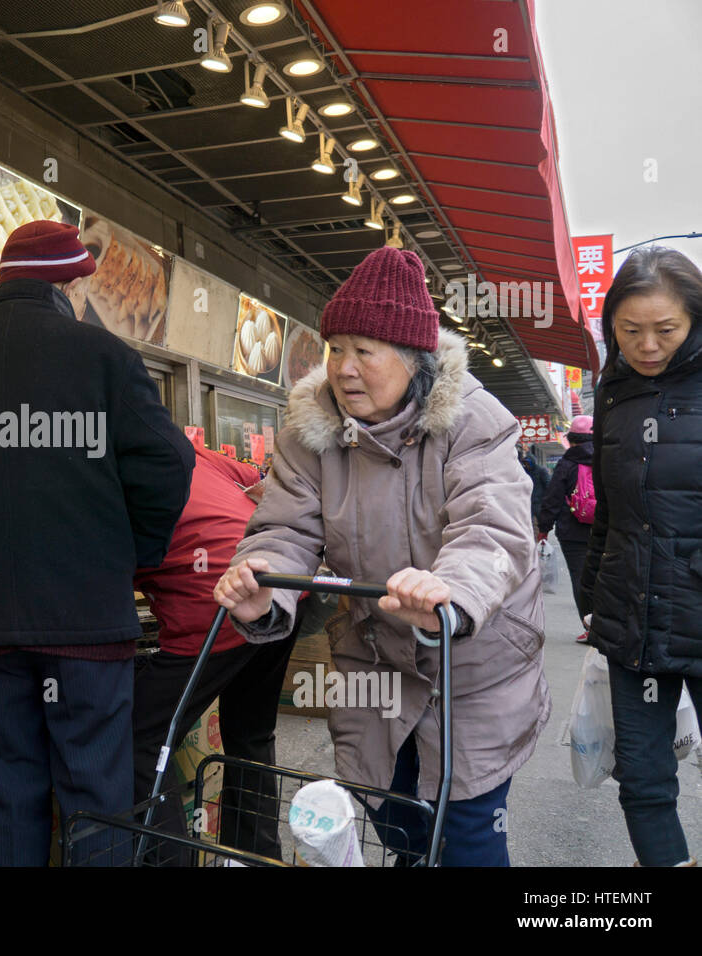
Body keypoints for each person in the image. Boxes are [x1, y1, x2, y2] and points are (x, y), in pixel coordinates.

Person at [213, 245, 550, 867]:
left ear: (413, 357)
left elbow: (492, 529)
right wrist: (266, 585)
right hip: (375, 664)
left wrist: (447, 594)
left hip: (471, 666)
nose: (343, 368)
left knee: (468, 834)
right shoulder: (308, 433)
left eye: (364, 350)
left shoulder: (474, 421)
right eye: (335, 347)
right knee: (391, 820)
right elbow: (284, 526)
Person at [0, 220, 194, 866]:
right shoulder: (106, 358)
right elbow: (170, 466)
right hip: (85, 628)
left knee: (7, 802)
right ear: (69, 284)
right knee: (94, 807)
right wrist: (129, 553)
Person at [578, 247, 702, 867]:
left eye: (666, 330)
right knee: (645, 780)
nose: (647, 345)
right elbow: (610, 506)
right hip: (632, 615)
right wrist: (593, 592)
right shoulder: (614, 392)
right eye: (630, 331)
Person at [132, 445, 302, 861]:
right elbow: (259, 484)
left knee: (137, 739)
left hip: (217, 600)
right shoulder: (185, 450)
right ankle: (255, 857)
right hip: (277, 584)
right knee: (250, 735)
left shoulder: (101, 471)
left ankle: (173, 860)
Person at [536, 415, 596, 642]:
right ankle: (610, 628)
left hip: (573, 534)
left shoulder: (567, 464)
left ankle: (591, 628)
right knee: (606, 578)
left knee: (581, 580)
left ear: (572, 439)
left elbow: (551, 498)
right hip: (607, 530)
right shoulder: (609, 459)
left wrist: (544, 528)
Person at [519, 445, 549, 525]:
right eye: (525, 464)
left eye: (527, 463)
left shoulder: (541, 471)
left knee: (541, 522)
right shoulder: (524, 471)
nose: (526, 466)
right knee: (529, 522)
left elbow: (547, 485)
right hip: (528, 501)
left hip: (539, 501)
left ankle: (541, 535)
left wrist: (546, 500)